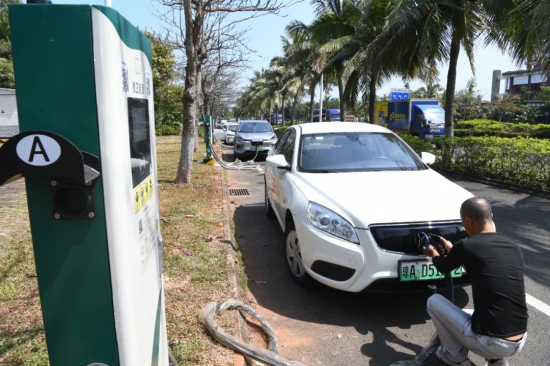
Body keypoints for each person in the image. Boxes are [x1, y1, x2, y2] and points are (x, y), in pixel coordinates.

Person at [423, 197, 528, 366]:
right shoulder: (513, 246)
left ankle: (455, 358)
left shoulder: (466, 245)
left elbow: (443, 266)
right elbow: (480, 269)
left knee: (433, 302)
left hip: (491, 341)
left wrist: (432, 253)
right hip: (519, 339)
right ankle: (497, 361)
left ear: (467, 220)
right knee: (474, 311)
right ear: (491, 215)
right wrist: (453, 250)